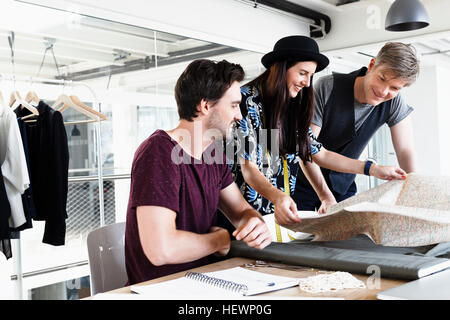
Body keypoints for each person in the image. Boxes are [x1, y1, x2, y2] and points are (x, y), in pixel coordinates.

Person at [222, 35, 406, 229]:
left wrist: (372, 169)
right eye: (302, 73)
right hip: (239, 219)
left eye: (311, 76)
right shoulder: (243, 102)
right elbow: (249, 168)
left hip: (275, 220)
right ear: (281, 67)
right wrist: (279, 198)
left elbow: (319, 153)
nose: (307, 83)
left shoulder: (292, 108)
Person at [124, 59, 272, 285]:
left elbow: (240, 210)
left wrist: (254, 224)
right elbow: (160, 249)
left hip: (204, 282)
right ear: (205, 106)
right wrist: (220, 240)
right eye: (233, 105)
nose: (240, 116)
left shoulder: (213, 155)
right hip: (162, 291)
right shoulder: (158, 152)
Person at [293, 42, 419, 213]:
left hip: (343, 187)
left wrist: (416, 195)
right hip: (303, 183)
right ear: (372, 65)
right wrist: (325, 196)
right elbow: (307, 151)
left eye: (394, 88)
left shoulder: (394, 102)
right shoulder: (327, 87)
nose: (383, 91)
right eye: (382, 78)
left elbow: (405, 151)